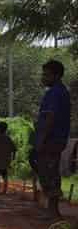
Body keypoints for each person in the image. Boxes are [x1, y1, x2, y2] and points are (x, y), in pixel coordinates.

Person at [33, 60, 72, 218]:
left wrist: (41, 139)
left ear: (56, 75)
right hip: (54, 138)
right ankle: (51, 209)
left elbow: (50, 117)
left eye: (46, 74)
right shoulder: (59, 91)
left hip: (51, 139)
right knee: (49, 170)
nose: (43, 77)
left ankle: (53, 211)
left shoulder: (55, 92)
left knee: (49, 171)